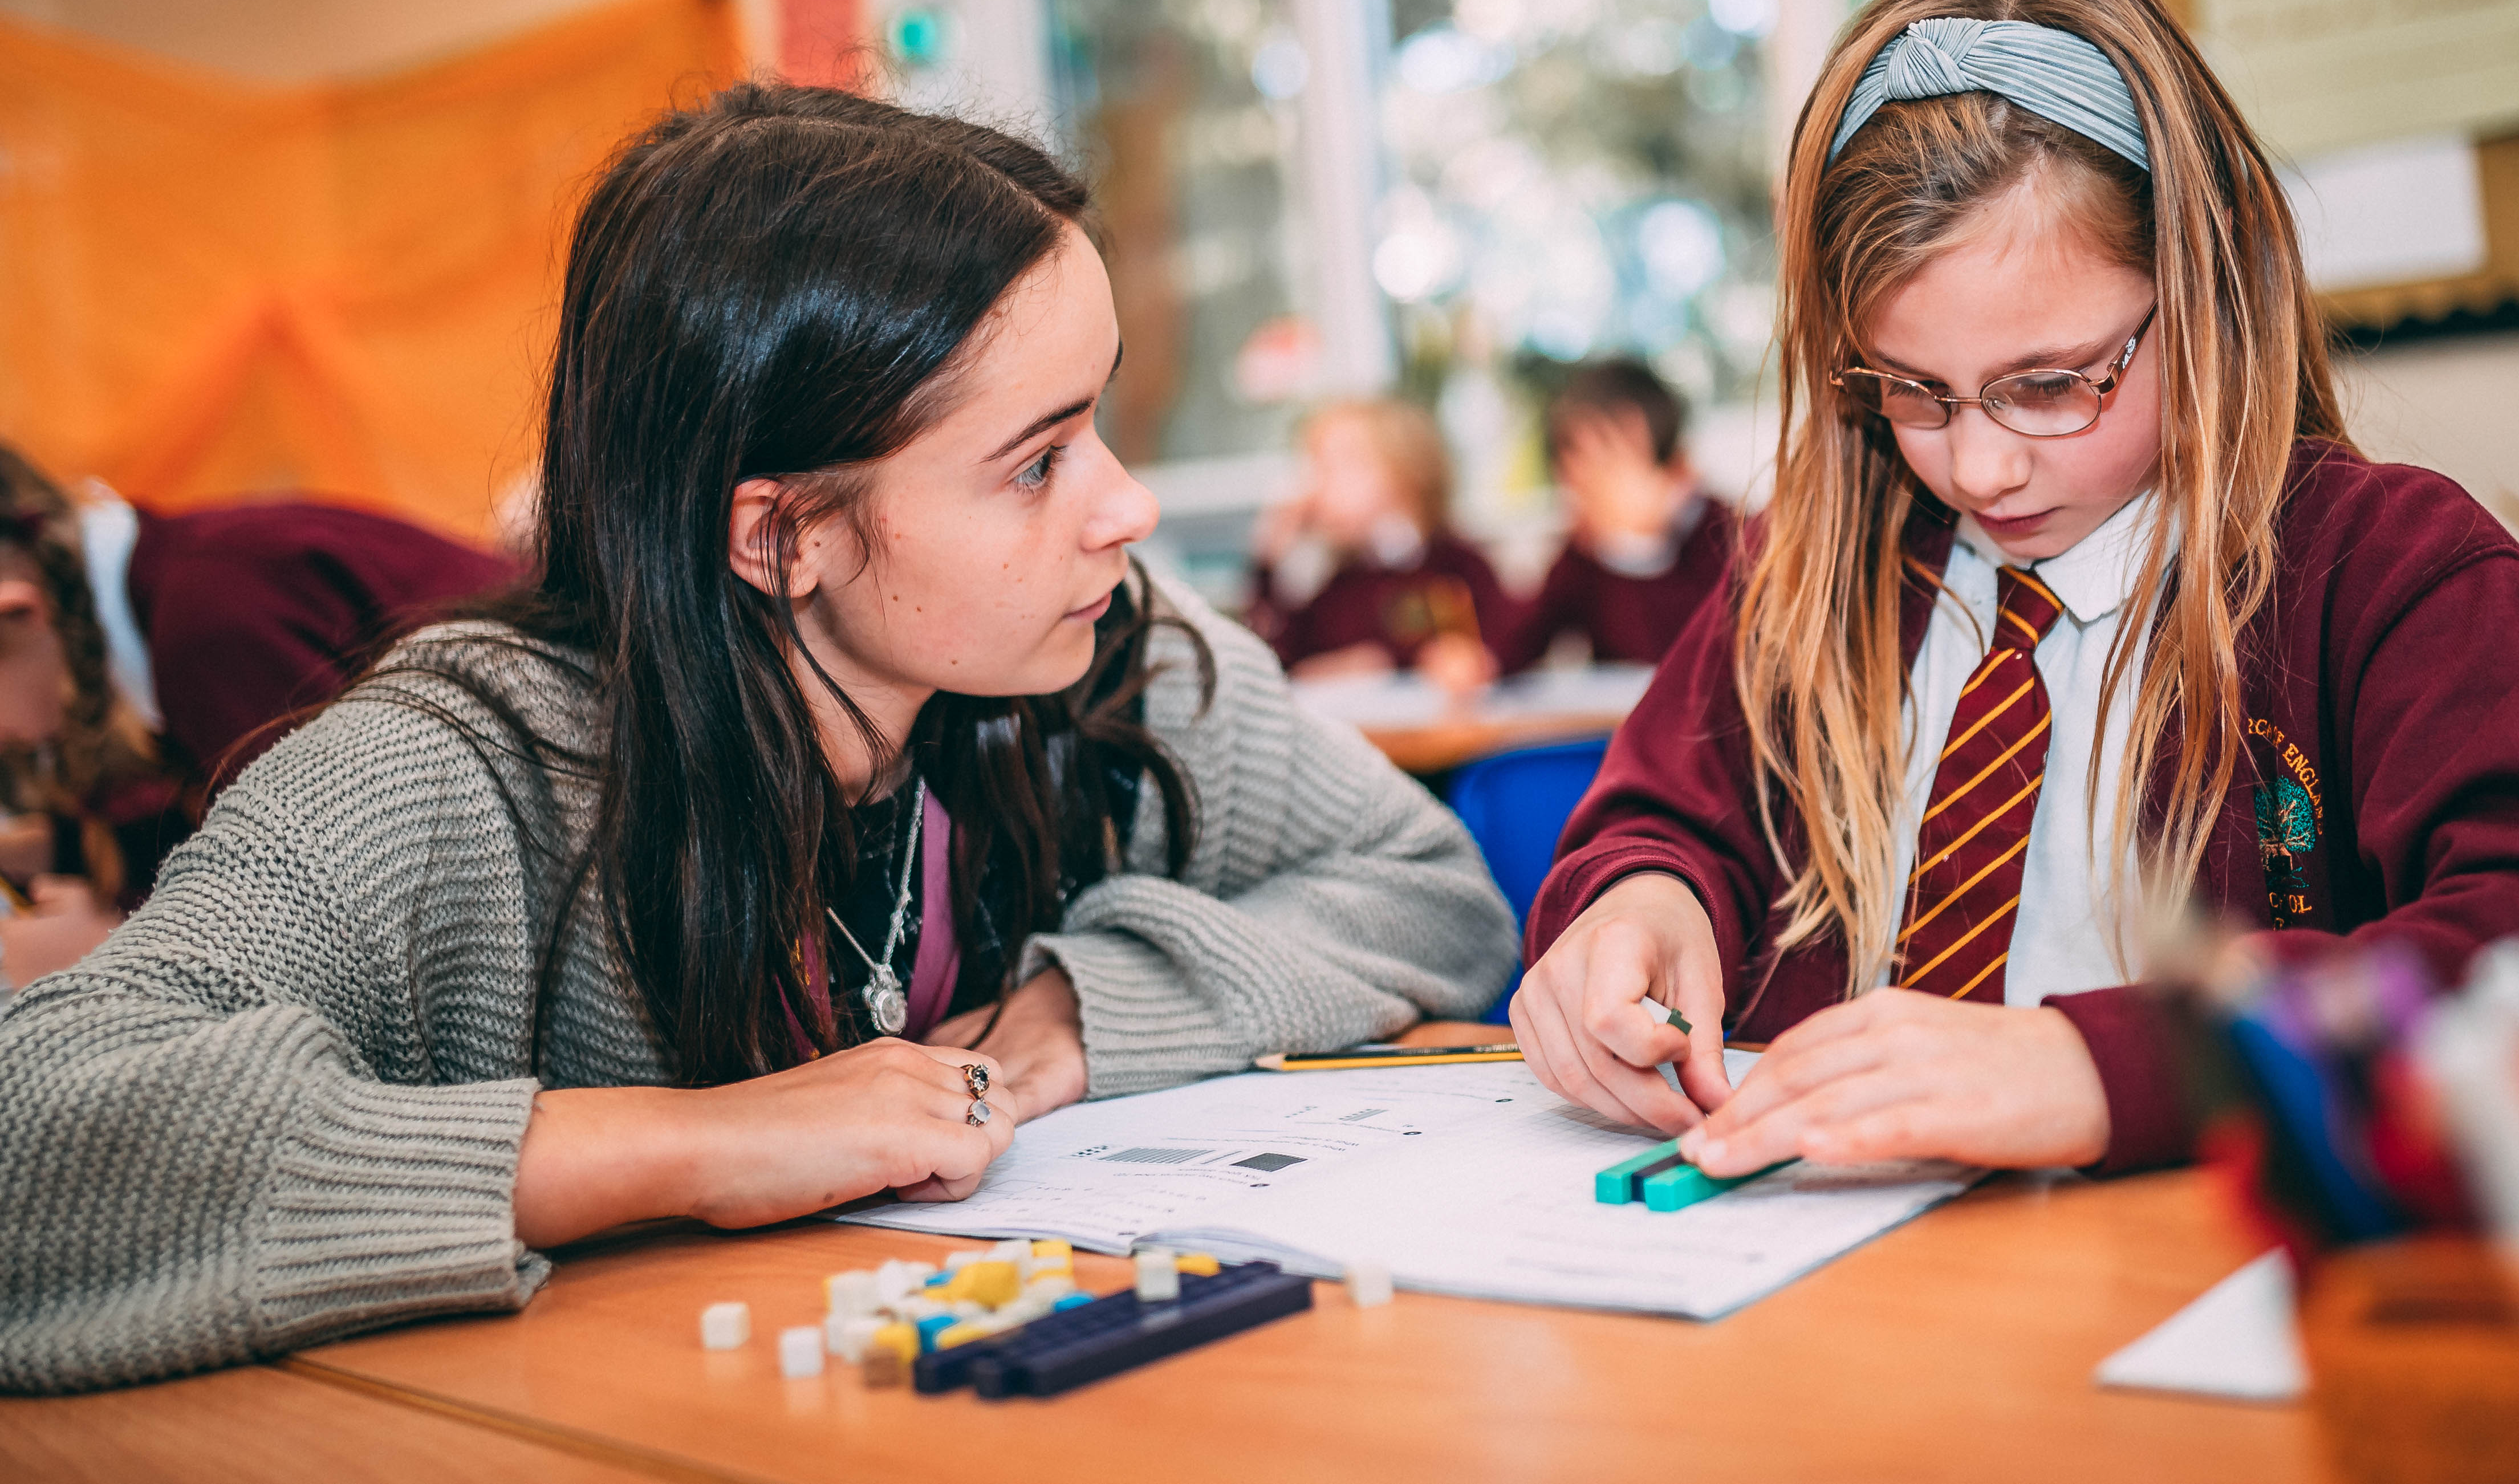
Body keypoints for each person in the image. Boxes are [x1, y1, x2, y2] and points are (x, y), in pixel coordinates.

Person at [0, 84, 1514, 1392]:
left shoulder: (1110, 649)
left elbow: (1426, 886)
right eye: (1038, 460)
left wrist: (1072, 1015)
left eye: (1096, 423)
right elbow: (34, 1151)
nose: (1124, 508)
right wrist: (694, 1144)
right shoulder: (447, 772)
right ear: (779, 538)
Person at [1508, 0, 2519, 1182]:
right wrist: (1639, 900)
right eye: (1912, 390)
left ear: (2207, 281)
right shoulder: (1812, 569)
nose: (1977, 467)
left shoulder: (2386, 574)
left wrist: (2107, 1066)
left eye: (2051, 383)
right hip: (1829, 1295)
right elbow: (1656, 818)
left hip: (2208, 1289)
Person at [0, 449, 512, 986]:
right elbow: (234, 820)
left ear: (19, 613)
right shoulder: (176, 587)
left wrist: (113, 950)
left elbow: (345, 906)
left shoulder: (208, 632)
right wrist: (52, 850)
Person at [1493, 357, 1740, 675]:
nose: (1580, 490)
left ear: (1672, 470)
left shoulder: (1730, 541)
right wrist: (1481, 662)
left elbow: (1689, 667)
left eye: (1604, 463)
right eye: (1570, 470)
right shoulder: (1585, 554)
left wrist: (1642, 547)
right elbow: (1521, 639)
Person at [1244, 397, 1513, 685]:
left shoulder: (1458, 565)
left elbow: (1508, 642)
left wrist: (1396, 662)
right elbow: (1273, 663)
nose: (1313, 486)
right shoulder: (1332, 582)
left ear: (1404, 472)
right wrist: (1269, 563)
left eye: (1332, 467)